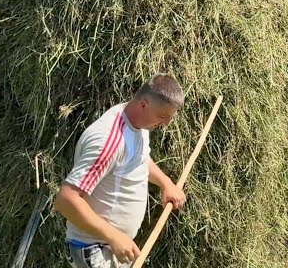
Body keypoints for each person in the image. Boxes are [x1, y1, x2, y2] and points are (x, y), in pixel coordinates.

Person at [54, 74, 188, 268]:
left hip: (113, 248)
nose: (166, 123)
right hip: (95, 250)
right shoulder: (107, 141)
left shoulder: (138, 125)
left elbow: (138, 159)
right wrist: (114, 236)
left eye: (169, 117)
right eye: (162, 116)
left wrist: (166, 183)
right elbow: (66, 200)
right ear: (143, 105)